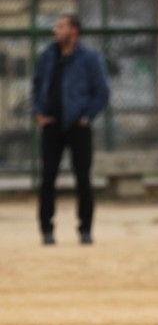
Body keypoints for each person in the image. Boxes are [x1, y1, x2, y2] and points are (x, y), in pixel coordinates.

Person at [32, 12, 110, 245]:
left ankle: (85, 229)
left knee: (83, 178)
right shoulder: (48, 55)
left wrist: (87, 116)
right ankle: (47, 229)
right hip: (52, 124)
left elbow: (102, 91)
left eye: (61, 26)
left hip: (78, 126)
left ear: (74, 31)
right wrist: (38, 111)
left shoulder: (89, 57)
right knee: (48, 178)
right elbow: (37, 84)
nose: (56, 31)